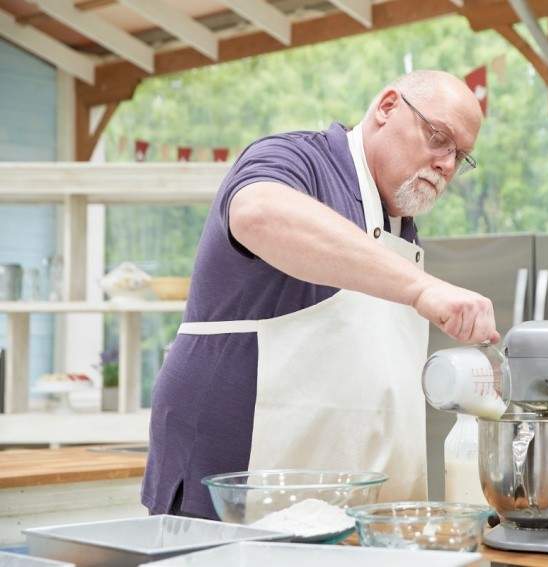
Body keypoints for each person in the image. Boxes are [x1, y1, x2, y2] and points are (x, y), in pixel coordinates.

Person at [141, 70, 500, 519]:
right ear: (388, 107)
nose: (447, 164)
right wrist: (422, 288)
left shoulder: (401, 228)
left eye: (460, 155)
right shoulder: (297, 159)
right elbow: (257, 213)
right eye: (438, 137)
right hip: (236, 491)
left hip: (345, 506)